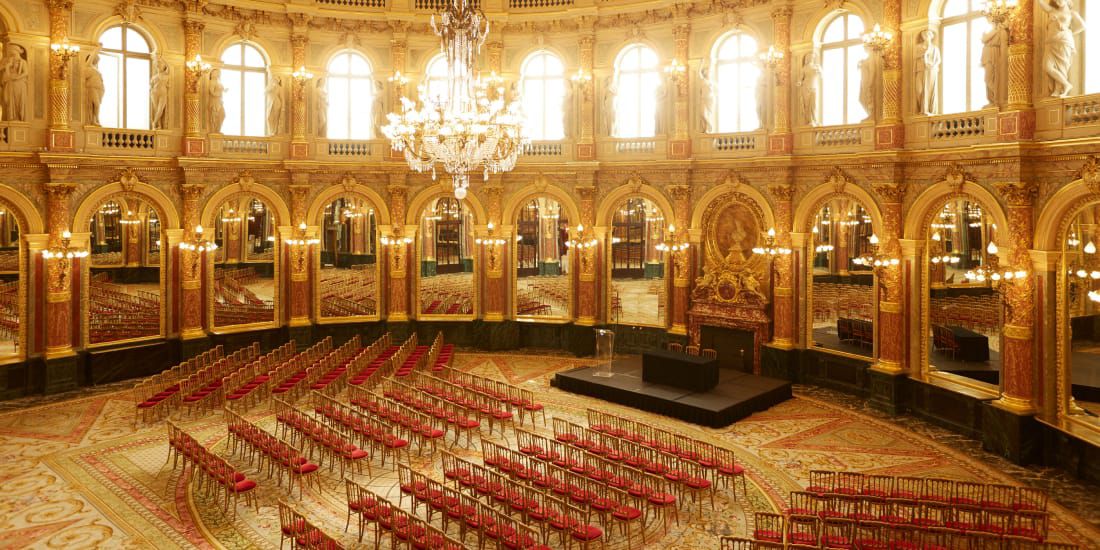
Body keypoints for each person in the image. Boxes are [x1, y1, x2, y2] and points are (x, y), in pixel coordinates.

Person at [1039, 0, 1086, 97]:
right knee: (1046, 66)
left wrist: (1069, 31)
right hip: (1050, 42)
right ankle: (1066, 84)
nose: (1058, 1)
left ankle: (1058, 89)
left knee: (1061, 67)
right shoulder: (1052, 10)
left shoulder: (1072, 13)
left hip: (1063, 42)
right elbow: (1041, 4)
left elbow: (1082, 26)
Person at [0, 43, 28, 122]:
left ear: (17, 52)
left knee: (18, 101)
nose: (12, 55)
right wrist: (7, 66)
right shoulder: (7, 61)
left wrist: (17, 77)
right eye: (11, 53)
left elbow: (26, 72)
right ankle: (11, 117)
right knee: (7, 100)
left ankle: (18, 118)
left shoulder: (23, 62)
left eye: (13, 53)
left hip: (19, 84)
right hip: (10, 84)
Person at [915, 29, 940, 115]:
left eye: (928, 35)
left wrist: (932, 65)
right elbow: (915, 55)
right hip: (920, 69)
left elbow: (938, 60)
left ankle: (927, 110)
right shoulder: (918, 47)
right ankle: (921, 109)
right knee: (919, 90)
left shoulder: (935, 48)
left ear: (931, 37)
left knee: (929, 90)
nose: (926, 37)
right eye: (924, 35)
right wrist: (925, 53)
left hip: (931, 70)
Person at [799, 52, 821, 126]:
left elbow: (822, 76)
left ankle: (814, 119)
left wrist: (819, 70)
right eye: (810, 57)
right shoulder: (804, 68)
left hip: (814, 86)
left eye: (812, 57)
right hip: (805, 86)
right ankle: (808, 121)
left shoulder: (817, 66)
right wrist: (799, 82)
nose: (811, 58)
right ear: (807, 58)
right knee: (807, 104)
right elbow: (800, 78)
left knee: (814, 104)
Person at [150, 53, 170, 130]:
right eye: (158, 65)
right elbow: (151, 86)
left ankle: (154, 123)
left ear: (164, 67)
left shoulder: (167, 76)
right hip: (154, 92)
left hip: (163, 92)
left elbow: (168, 85)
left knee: (160, 109)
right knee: (156, 109)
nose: (159, 66)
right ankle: (158, 125)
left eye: (161, 64)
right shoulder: (154, 77)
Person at [84, 52, 105, 126]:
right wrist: (96, 49)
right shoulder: (88, 67)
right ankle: (95, 120)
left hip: (99, 89)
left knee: (97, 105)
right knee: (96, 104)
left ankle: (94, 119)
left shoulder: (96, 69)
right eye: (96, 58)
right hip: (92, 87)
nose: (97, 60)